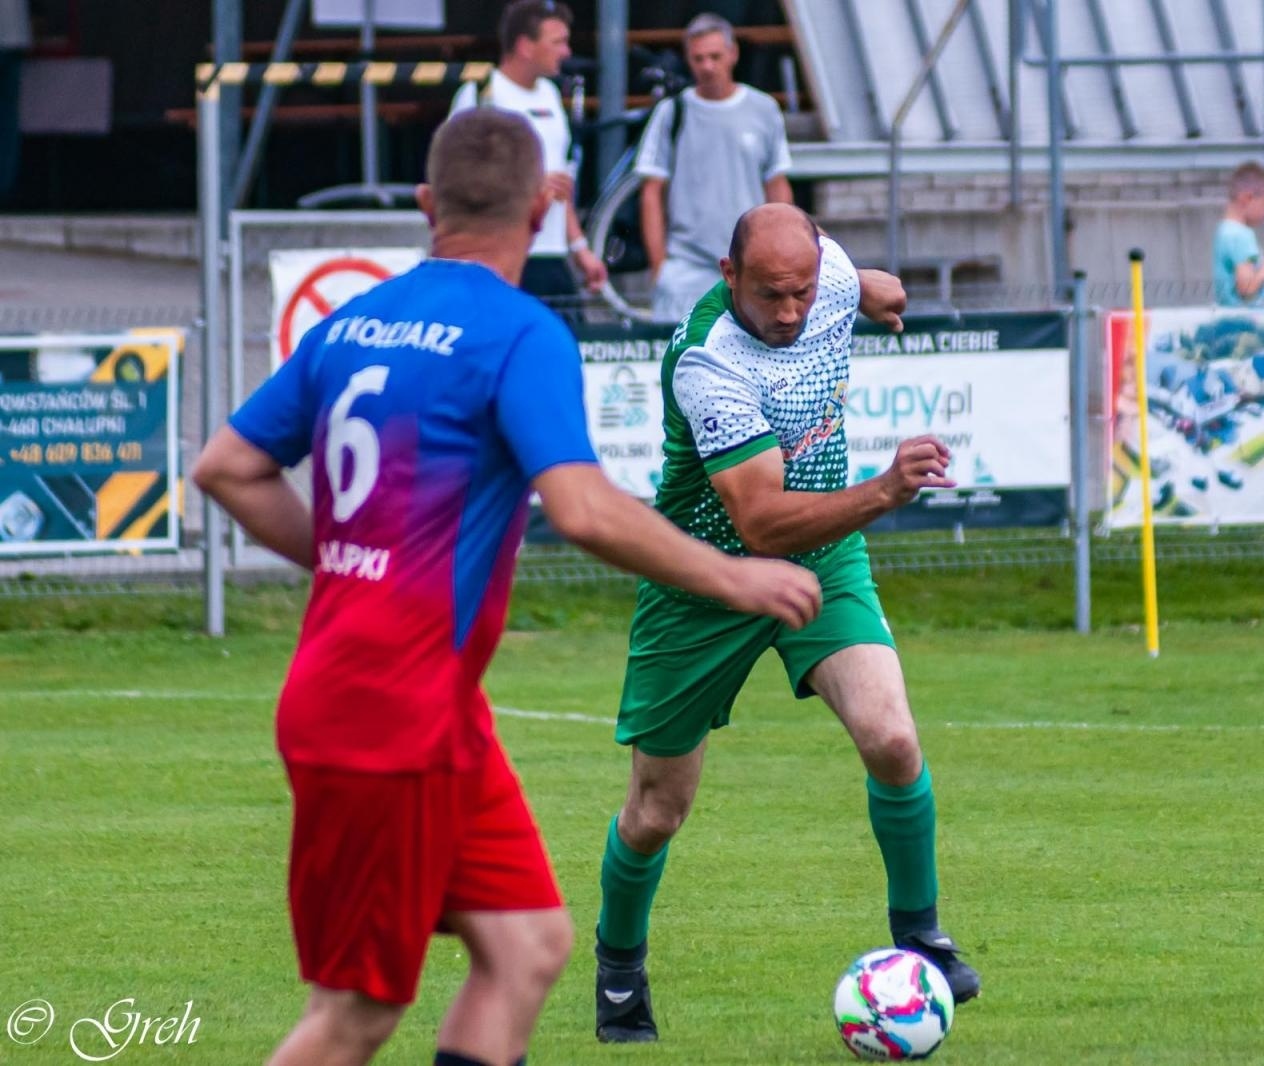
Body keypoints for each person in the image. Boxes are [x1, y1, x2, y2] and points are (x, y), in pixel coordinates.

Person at [191, 110, 821, 1066]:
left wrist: (350, 556)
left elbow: (227, 465)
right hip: (383, 715)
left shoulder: (351, 323)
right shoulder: (521, 333)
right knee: (355, 1015)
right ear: (543, 204)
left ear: (423, 205)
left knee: (529, 946)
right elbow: (581, 507)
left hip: (428, 708)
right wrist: (732, 573)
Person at [590, 202, 980, 1045]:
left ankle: (920, 934)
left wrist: (871, 293)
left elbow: (860, 283)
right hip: (707, 580)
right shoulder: (709, 361)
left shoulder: (823, 278)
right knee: (657, 810)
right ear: (729, 278)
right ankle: (620, 970)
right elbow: (761, 521)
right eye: (771, 295)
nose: (792, 312)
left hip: (821, 559)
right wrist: (883, 491)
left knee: (893, 738)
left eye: (804, 291)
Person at [635, 13, 794, 324]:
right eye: (698, 58)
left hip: (749, 267)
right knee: (679, 363)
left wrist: (781, 249)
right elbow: (651, 190)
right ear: (688, 60)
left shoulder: (764, 110)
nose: (707, 66)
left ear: (732, 55)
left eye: (714, 57)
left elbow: (776, 184)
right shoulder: (671, 112)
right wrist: (660, 267)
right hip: (685, 268)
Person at [449, 0, 607, 308]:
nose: (566, 52)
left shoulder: (549, 94)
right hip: (500, 255)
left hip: (552, 254)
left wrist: (580, 248)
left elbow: (559, 185)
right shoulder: (480, 94)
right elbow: (457, 180)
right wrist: (528, 184)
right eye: (557, 42)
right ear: (525, 46)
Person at [1213, 162, 1264, 307]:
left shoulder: (1224, 230)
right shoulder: (1241, 236)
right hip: (1246, 322)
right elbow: (1247, 288)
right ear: (1247, 198)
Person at [0, 0, 28, 205]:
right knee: (7, 120)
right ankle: (5, 190)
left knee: (7, 121)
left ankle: (5, 189)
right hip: (13, 35)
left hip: (12, 36)